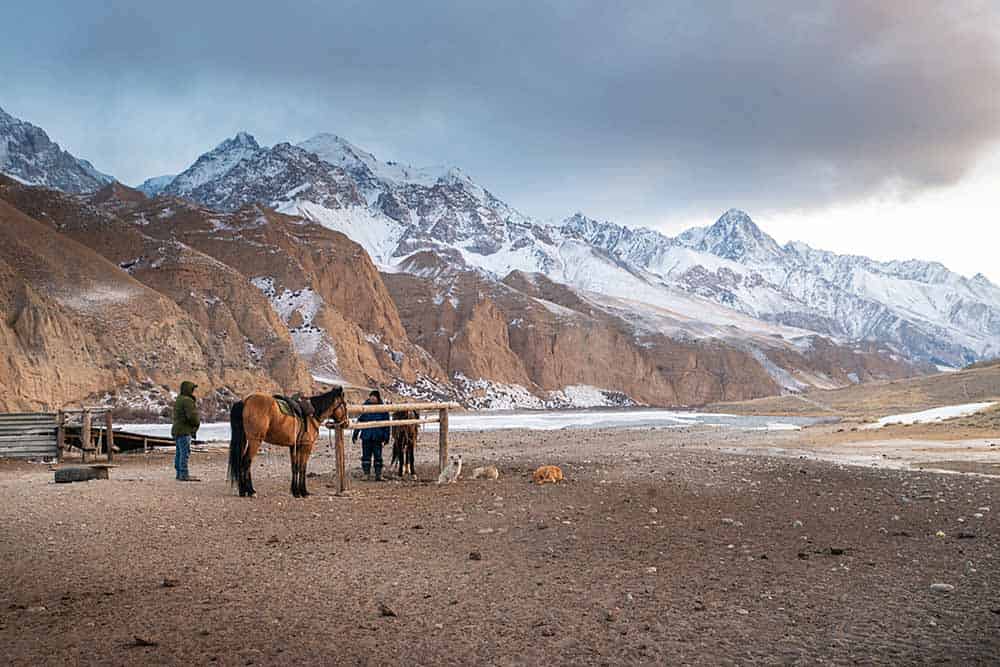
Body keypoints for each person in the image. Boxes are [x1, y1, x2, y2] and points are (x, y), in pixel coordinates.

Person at [352, 390, 390, 481]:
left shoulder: (383, 409)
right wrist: (355, 433)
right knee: (366, 456)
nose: (372, 398)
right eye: (371, 396)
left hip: (378, 437)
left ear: (377, 398)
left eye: (374, 397)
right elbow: (360, 421)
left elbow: (387, 424)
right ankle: (366, 474)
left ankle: (378, 475)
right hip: (366, 436)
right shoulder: (364, 408)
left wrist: (386, 437)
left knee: (378, 456)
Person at [171, 380, 201, 481]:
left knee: (179, 452)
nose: (193, 391)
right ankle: (184, 474)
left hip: (177, 430)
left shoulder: (179, 399)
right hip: (184, 430)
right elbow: (192, 416)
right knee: (185, 453)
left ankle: (179, 473)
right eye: (192, 389)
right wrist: (196, 423)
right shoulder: (187, 401)